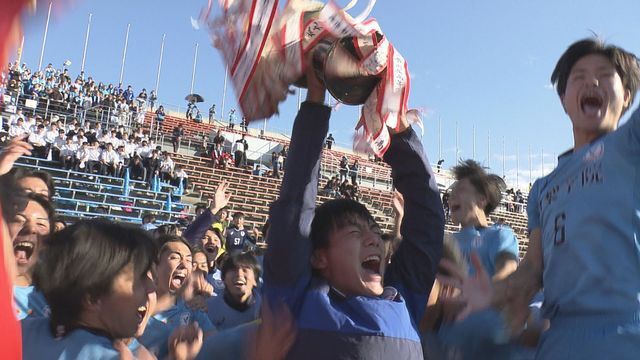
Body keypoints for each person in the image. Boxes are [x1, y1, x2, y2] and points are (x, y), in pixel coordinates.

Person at [445, 38, 640, 359]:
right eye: (578, 76)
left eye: (605, 74)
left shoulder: (630, 145)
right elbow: (533, 268)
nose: (591, 81)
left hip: (626, 334)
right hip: (560, 341)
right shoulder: (543, 187)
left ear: (627, 97)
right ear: (564, 100)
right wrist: (496, 292)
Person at [262, 65, 444, 358]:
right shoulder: (299, 300)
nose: (374, 240)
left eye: (374, 231)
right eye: (356, 232)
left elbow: (427, 217)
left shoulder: (403, 298)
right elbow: (296, 204)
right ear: (319, 256)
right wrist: (316, 98)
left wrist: (396, 132)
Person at [21, 219, 158, 359]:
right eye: (140, 277)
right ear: (93, 296)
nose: (152, 287)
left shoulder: (18, 332)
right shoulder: (110, 357)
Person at [139, 235, 214, 359]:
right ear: (154, 265)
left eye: (189, 260)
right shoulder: (132, 310)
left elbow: (217, 343)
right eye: (175, 257)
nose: (184, 264)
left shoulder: (192, 308)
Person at [447, 160, 519, 280]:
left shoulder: (499, 235)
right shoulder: (446, 243)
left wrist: (484, 295)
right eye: (451, 193)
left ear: (482, 199)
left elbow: (506, 276)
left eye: (460, 190)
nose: (452, 197)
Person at [206, 252, 261, 330]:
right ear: (223, 279)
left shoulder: (267, 310)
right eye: (233, 270)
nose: (239, 274)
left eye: (245, 270)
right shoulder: (209, 308)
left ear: (256, 280)